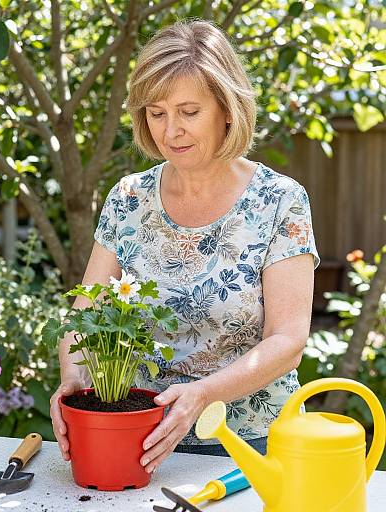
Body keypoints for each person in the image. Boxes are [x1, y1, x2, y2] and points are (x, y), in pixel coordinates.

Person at [49, 19, 319, 475]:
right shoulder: (128, 198)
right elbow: (84, 315)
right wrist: (73, 380)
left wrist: (203, 393)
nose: (171, 131)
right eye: (157, 113)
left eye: (189, 112)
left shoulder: (280, 200)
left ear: (227, 109)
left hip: (251, 446)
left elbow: (288, 342)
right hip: (138, 440)